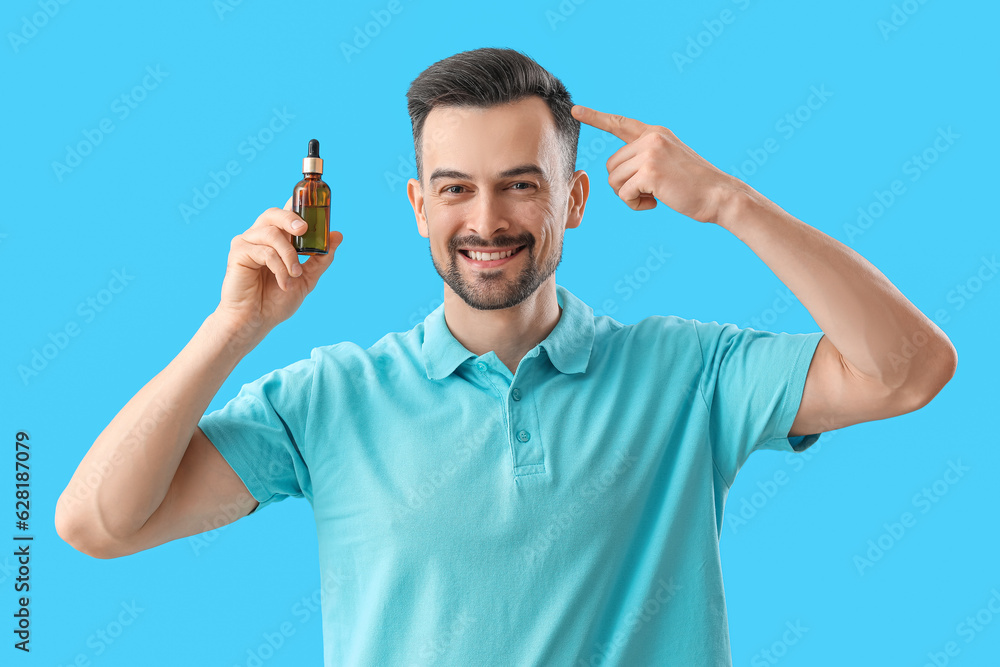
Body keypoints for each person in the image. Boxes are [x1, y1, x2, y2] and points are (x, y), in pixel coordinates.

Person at [55, 47, 957, 666]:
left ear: (573, 198)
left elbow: (908, 370)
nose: (485, 221)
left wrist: (728, 201)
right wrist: (234, 330)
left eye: (520, 186)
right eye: (456, 189)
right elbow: (99, 523)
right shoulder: (329, 399)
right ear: (418, 204)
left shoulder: (691, 377)